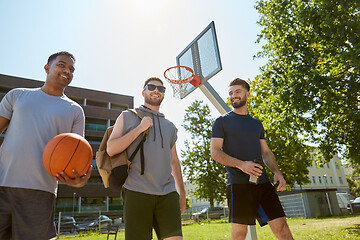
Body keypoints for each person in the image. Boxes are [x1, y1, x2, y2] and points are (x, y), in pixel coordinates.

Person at [0, 51, 92, 240]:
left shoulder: (75, 110)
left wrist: (80, 180)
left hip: (40, 191)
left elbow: (78, 155)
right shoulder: (18, 95)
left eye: (71, 69)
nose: (67, 70)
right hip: (2, 184)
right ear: (47, 68)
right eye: (61, 65)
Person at [211, 78, 294, 240]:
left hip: (263, 183)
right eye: (231, 93)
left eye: (237, 91)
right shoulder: (221, 122)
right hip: (238, 185)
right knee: (240, 234)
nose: (233, 95)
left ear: (247, 94)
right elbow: (215, 152)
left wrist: (277, 172)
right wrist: (242, 165)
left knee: (282, 227)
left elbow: (266, 152)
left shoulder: (256, 123)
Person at [107, 77, 186, 240]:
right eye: (151, 87)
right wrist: (139, 128)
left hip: (167, 192)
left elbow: (174, 161)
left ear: (163, 95)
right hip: (136, 191)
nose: (156, 90)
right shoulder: (127, 116)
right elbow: (111, 148)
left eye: (161, 89)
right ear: (144, 92)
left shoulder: (170, 126)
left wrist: (182, 194)